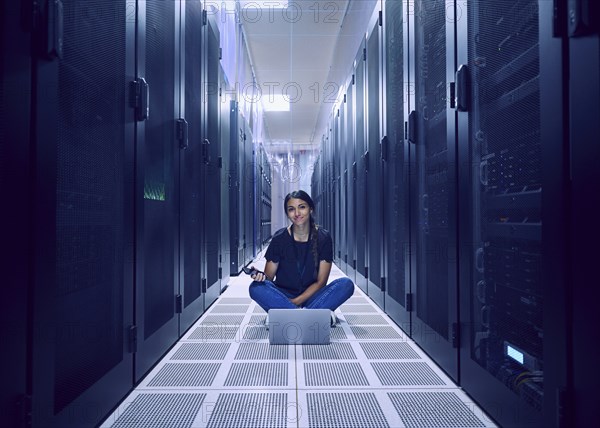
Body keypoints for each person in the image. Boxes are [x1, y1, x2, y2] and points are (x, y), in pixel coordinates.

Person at [248, 190, 354, 326]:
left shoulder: (323, 238)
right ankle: (312, 316)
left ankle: (286, 314)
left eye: (302, 207)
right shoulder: (279, 238)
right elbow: (268, 277)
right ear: (287, 213)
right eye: (291, 209)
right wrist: (260, 276)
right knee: (255, 288)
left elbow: (321, 282)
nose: (297, 213)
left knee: (346, 284)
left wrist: (295, 302)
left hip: (314, 295)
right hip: (284, 295)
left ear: (311, 209)